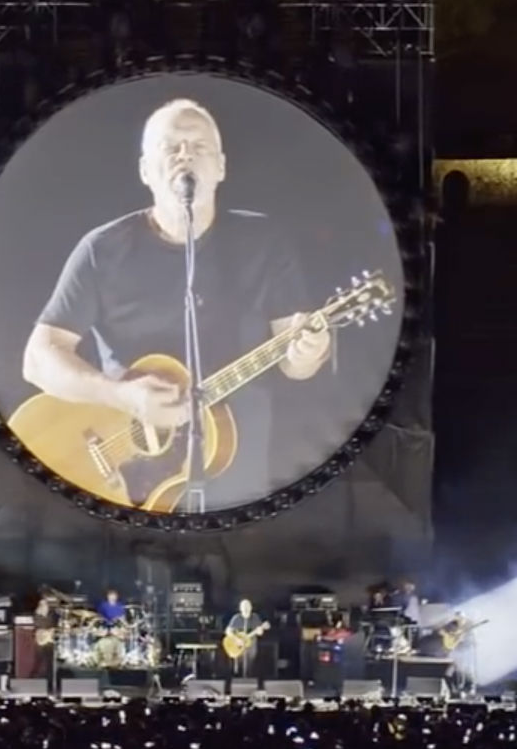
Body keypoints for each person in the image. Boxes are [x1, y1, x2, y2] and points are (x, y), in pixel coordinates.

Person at [20, 98, 332, 509]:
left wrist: (311, 350)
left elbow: (294, 362)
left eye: (199, 147)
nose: (186, 156)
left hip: (239, 475)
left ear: (221, 167)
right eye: (171, 148)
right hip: (127, 478)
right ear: (146, 171)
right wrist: (122, 398)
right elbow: (38, 360)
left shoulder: (265, 243)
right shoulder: (102, 249)